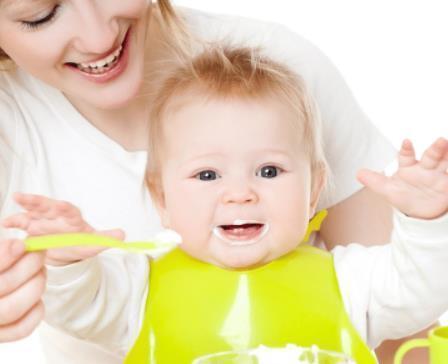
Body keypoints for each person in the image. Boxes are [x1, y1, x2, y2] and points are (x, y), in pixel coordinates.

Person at [0, 0, 428, 363]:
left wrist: (429, 224)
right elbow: (83, 303)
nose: (97, 39)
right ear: (159, 198)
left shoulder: (348, 280)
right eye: (41, 14)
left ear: (315, 188)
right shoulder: (140, 287)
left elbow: (415, 293)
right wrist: (66, 262)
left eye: (269, 171)